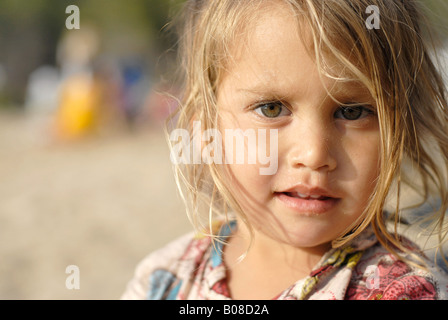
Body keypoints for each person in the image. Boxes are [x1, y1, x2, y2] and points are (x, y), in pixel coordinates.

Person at [122, 0, 448, 300]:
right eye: (272, 109)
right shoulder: (164, 279)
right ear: (206, 132)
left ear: (400, 130)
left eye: (352, 112)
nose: (313, 154)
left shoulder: (402, 290)